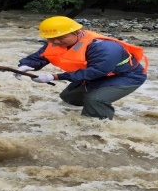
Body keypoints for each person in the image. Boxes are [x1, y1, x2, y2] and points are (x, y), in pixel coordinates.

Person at [15, 16, 147, 119]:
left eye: (61, 38)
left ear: (77, 32)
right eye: (51, 38)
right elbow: (40, 56)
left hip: (125, 77)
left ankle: (96, 130)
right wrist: (25, 66)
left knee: (95, 100)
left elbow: (97, 71)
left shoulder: (103, 47)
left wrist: (55, 77)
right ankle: (77, 117)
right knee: (69, 97)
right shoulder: (55, 43)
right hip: (93, 74)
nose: (55, 42)